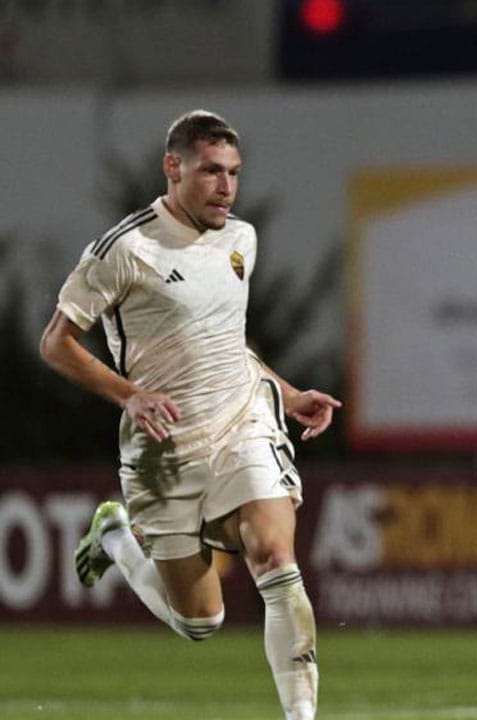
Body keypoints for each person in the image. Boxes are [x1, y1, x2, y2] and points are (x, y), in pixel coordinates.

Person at [39, 110, 340, 720]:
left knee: (276, 559)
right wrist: (129, 395)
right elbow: (55, 343)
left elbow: (226, 347)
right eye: (211, 171)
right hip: (164, 446)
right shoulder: (125, 249)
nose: (226, 187)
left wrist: (283, 393)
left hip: (242, 424)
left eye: (233, 172)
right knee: (200, 621)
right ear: (173, 168)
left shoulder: (241, 241)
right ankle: (118, 536)